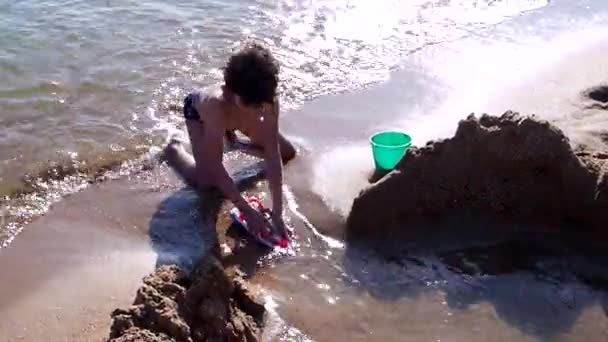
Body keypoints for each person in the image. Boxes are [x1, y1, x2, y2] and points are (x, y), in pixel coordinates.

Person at [163, 43, 296, 240]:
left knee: (288, 152)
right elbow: (216, 168)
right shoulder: (214, 106)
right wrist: (246, 209)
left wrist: (277, 213)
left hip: (236, 113)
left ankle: (233, 143)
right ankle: (173, 149)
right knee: (206, 182)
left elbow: (273, 154)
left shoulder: (265, 100)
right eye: (253, 105)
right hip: (200, 114)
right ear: (230, 90)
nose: (260, 111)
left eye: (262, 105)